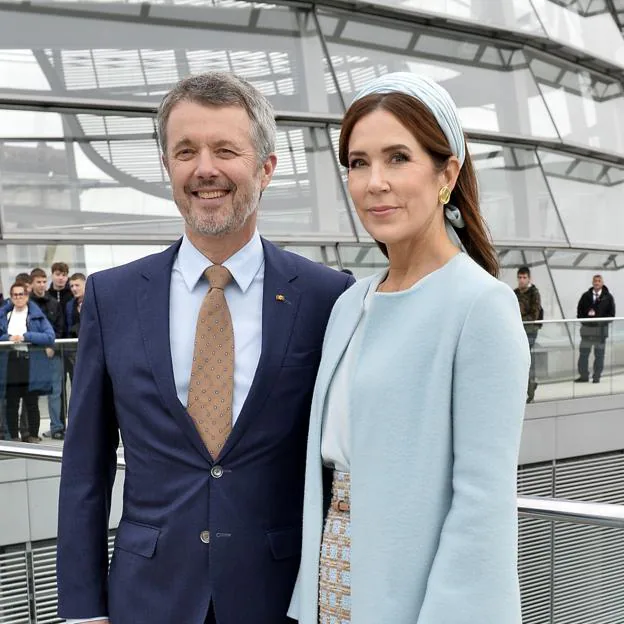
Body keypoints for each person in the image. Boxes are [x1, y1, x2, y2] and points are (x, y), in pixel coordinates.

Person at [56, 71, 353, 624]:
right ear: (168, 167)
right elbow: (85, 470)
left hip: (280, 598)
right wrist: (81, 609)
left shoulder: (327, 296)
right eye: (185, 151)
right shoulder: (111, 296)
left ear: (266, 167)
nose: (205, 169)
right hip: (145, 598)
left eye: (225, 149)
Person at [289, 73, 529, 624]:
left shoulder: (481, 306)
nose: (375, 182)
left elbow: (482, 502)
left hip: (416, 592)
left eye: (398, 158)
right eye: (358, 162)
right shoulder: (350, 303)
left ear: (447, 173)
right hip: (335, 575)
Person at [0, 282, 55, 442]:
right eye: (15, 295)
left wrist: (26, 336)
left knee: (31, 401)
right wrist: (8, 338)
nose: (18, 298)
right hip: (10, 361)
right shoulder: (5, 315)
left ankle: (32, 435)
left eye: (21, 294)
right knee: (12, 401)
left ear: (27, 296)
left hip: (30, 362)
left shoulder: (36, 314)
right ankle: (14, 437)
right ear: (11, 297)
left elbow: (49, 336)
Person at [30, 268, 66, 440]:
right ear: (31, 284)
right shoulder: (27, 304)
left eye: (44, 281)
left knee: (55, 392)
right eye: (38, 282)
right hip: (34, 354)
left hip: (53, 353)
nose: (42, 285)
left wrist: (51, 345)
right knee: (31, 394)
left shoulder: (54, 303)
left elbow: (60, 327)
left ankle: (57, 427)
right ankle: (30, 430)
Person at [576, 274, 616, 383]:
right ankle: (583, 376)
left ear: (602, 283)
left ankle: (596, 376)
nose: (597, 283)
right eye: (595, 281)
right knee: (583, 355)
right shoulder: (585, 296)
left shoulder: (608, 297)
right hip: (587, 331)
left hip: (601, 332)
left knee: (599, 355)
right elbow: (579, 313)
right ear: (592, 282)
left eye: (599, 281)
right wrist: (587, 321)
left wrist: (599, 321)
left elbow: (611, 315)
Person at [514, 266, 542, 403]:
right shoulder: (514, 293)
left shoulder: (534, 293)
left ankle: (530, 390)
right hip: (518, 331)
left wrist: (518, 320)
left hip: (530, 331)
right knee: (519, 361)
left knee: (525, 360)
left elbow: (534, 314)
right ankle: (529, 386)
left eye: (524, 277)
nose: (521, 280)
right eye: (519, 277)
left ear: (529, 278)